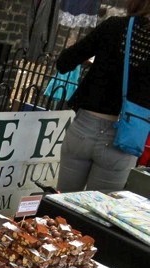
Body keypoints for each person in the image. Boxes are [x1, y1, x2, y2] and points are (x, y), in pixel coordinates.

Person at [55, 0, 150, 192]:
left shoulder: (114, 26)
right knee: (96, 217)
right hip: (124, 139)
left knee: (62, 206)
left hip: (84, 127)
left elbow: (64, 62)